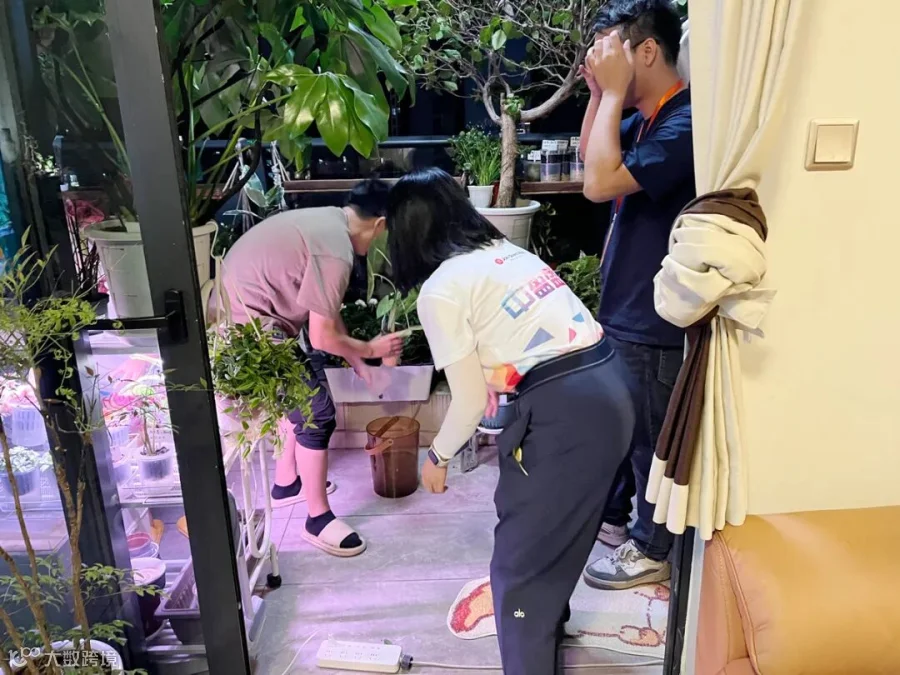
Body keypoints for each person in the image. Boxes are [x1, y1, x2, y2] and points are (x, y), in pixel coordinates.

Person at [387, 168, 635, 675]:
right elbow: (520, 341)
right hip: (610, 385)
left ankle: (529, 657)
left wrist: (437, 457)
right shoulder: (504, 253)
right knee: (557, 536)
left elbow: (468, 402)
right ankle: (546, 632)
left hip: (568, 413)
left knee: (519, 570)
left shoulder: (441, 289)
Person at [217, 179, 405, 558]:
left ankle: (287, 482)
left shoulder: (328, 223)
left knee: (307, 383)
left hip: (248, 318)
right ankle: (317, 519)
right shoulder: (336, 251)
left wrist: (359, 361)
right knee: (316, 413)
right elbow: (321, 336)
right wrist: (371, 349)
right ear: (380, 224)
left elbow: (327, 314)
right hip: (250, 332)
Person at [578, 0, 695, 590]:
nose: (600, 59)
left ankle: (652, 549)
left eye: (611, 48)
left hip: (655, 319)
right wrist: (602, 94)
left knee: (652, 440)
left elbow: (599, 185)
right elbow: (589, 159)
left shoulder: (684, 122)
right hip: (626, 307)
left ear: (647, 50)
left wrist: (612, 91)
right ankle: (626, 525)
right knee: (631, 433)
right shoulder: (645, 118)